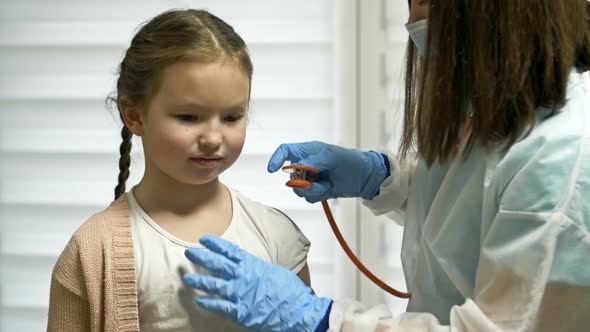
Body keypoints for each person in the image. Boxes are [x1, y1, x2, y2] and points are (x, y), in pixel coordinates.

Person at [182, 0, 590, 331]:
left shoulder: (565, 158)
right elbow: (470, 197)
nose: (411, 23)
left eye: (425, 3)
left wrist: (324, 320)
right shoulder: (500, 107)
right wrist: (380, 177)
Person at [47, 9, 312, 332]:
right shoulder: (91, 251)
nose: (213, 138)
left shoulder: (276, 234)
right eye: (188, 117)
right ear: (134, 116)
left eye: (231, 117)